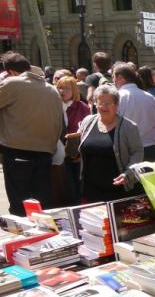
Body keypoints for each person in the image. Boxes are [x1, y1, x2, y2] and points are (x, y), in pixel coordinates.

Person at [0, 53, 63, 214]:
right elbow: (60, 123)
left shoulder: (12, 83)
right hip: (45, 151)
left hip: (16, 150)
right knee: (42, 203)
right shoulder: (51, 89)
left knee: (19, 203)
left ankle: (24, 236)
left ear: (10, 71)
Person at [76, 84, 144, 202]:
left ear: (116, 104)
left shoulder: (129, 127)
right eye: (99, 103)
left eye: (108, 103)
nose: (103, 107)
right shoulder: (87, 121)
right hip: (91, 189)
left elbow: (137, 153)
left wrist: (128, 174)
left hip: (118, 189)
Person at [112, 63, 155, 161]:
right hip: (151, 149)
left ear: (120, 78)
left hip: (129, 151)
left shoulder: (117, 98)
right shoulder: (150, 97)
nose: (113, 81)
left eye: (113, 77)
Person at [57, 75, 90, 205]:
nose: (62, 91)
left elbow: (86, 129)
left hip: (75, 152)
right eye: (59, 88)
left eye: (66, 88)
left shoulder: (83, 107)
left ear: (74, 90)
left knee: (75, 182)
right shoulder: (54, 105)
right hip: (56, 149)